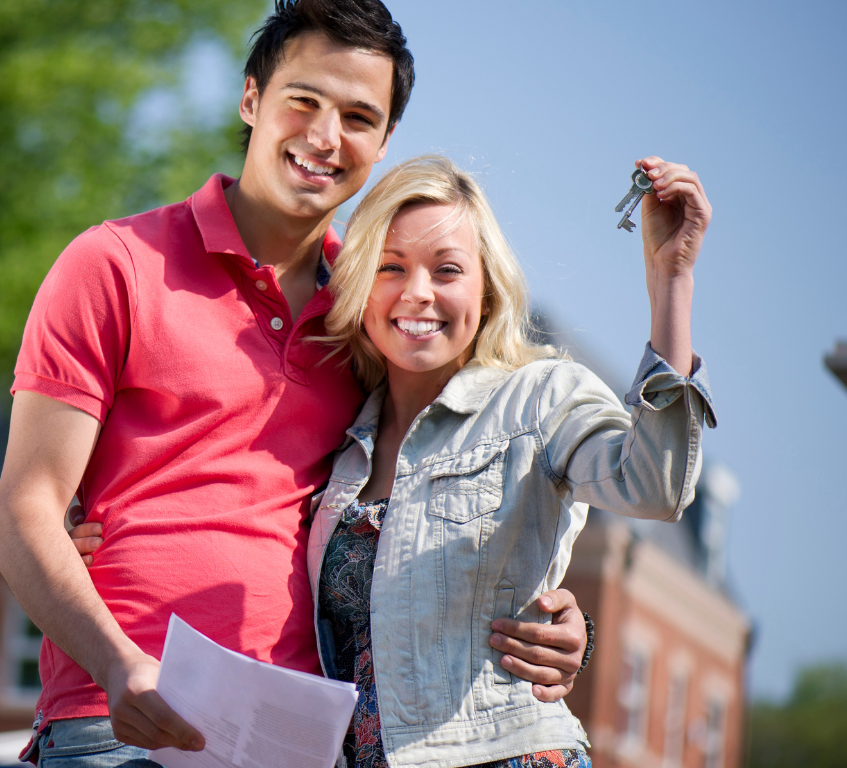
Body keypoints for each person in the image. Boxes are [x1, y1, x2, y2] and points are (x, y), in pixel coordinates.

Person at [0, 2, 590, 766]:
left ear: (383, 143)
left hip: (299, 741)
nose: (324, 137)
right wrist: (117, 666)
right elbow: (22, 514)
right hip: (119, 722)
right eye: (302, 101)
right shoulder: (115, 265)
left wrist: (558, 618)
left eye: (357, 117)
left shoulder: (378, 312)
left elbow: (472, 491)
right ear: (251, 100)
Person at [300, 153, 714, 768]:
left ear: (486, 288)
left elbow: (654, 486)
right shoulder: (340, 444)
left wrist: (670, 280)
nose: (418, 293)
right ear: (360, 284)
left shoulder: (542, 398)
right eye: (391, 267)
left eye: (446, 270)